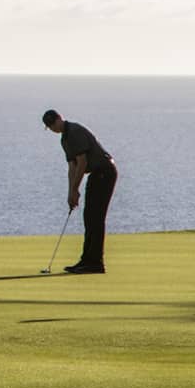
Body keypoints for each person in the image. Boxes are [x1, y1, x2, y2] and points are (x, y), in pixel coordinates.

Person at [42, 109, 117, 274]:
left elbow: (82, 163)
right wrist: (71, 192)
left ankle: (96, 262)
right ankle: (87, 260)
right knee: (89, 217)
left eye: (53, 124)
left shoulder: (74, 131)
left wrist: (75, 189)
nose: (53, 128)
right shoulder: (65, 140)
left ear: (59, 118)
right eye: (50, 127)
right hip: (97, 174)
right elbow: (72, 167)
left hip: (105, 171)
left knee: (95, 217)